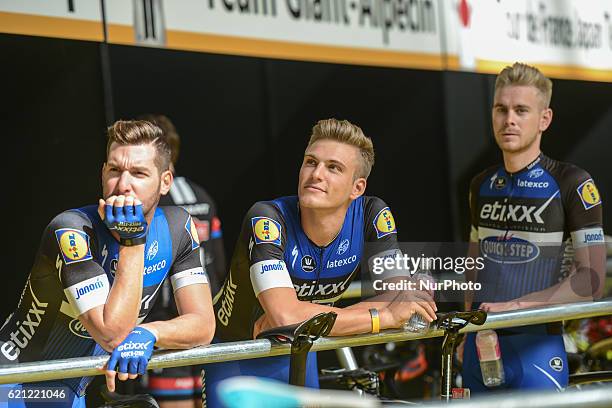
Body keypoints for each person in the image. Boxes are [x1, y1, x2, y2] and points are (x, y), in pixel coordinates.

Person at [205, 118, 438, 407]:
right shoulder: (267, 217)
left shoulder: (372, 215)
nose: (316, 174)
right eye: (310, 162)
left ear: (357, 188)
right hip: (238, 355)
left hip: (304, 349)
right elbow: (285, 318)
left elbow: (403, 299)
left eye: (334, 167)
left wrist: (303, 317)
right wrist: (383, 317)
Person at [0, 120, 215, 407]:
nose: (123, 185)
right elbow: (112, 335)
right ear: (103, 173)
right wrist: (133, 242)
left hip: (72, 388)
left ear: (165, 182)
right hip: (14, 382)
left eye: (138, 173)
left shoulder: (178, 229)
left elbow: (203, 325)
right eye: (115, 170)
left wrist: (150, 332)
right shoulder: (72, 230)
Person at [462, 62, 606, 392]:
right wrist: (464, 333)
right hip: (479, 343)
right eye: (501, 109)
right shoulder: (480, 184)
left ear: (545, 119)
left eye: (521, 110)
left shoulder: (573, 183)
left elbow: (592, 281)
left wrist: (515, 307)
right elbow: (474, 266)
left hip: (537, 345)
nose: (509, 119)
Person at [137, 114, 226, 407]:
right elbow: (219, 263)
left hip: (164, 326)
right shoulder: (202, 195)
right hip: (205, 319)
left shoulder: (147, 202)